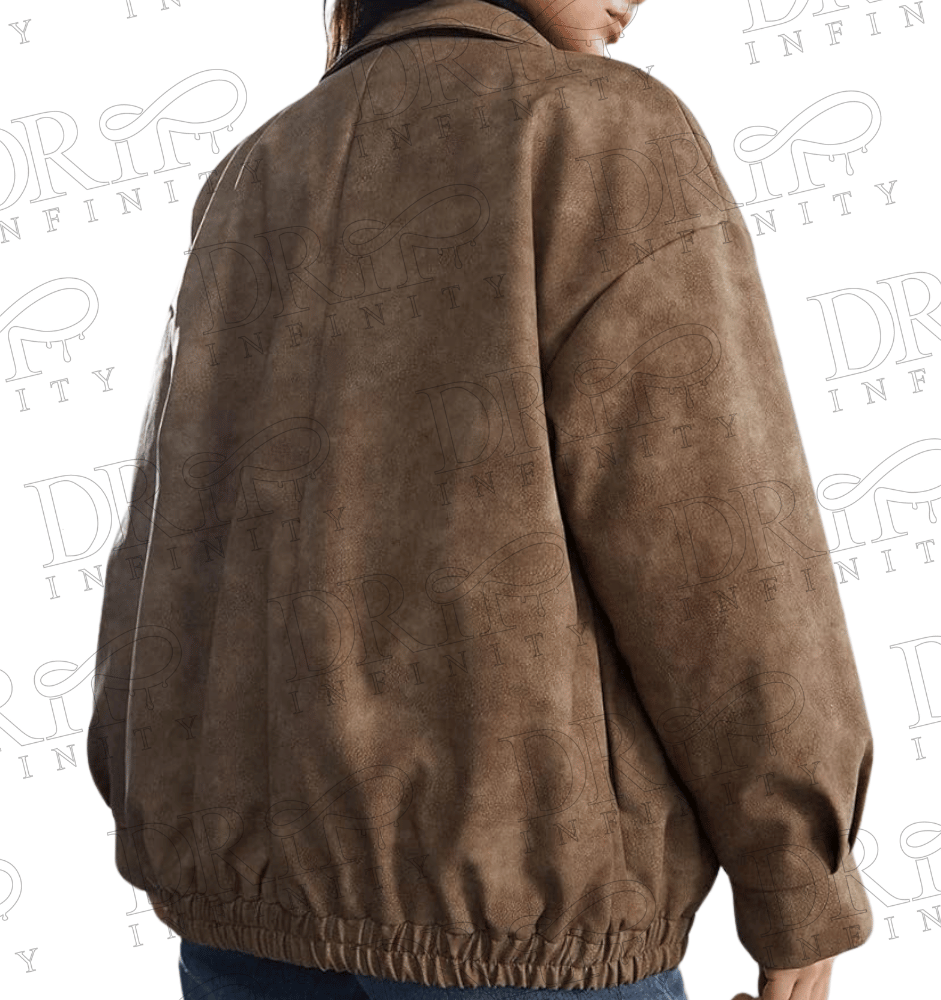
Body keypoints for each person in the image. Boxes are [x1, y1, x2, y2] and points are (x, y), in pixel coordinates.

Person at [86, 1, 876, 998]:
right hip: (511, 928)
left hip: (242, 921)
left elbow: (167, 547)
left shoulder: (258, 168)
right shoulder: (597, 131)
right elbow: (718, 551)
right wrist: (801, 877)